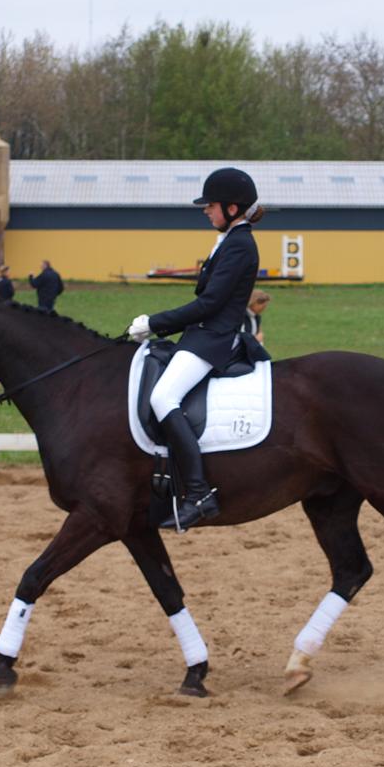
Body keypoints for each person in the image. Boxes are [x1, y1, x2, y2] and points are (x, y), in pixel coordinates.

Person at [127, 167, 270, 532]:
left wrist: (155, 323)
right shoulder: (229, 239)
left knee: (163, 398)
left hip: (212, 339)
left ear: (232, 208)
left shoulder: (239, 244)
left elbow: (209, 304)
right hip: (200, 335)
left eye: (210, 205)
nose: (205, 210)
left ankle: (199, 493)